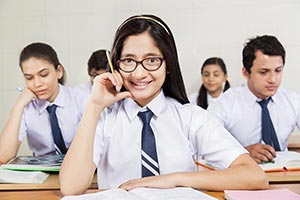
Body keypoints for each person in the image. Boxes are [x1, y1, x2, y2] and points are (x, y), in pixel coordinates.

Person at [59, 14, 267, 195]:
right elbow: (70, 187)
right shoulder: (105, 119)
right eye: (129, 61)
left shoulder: (190, 117)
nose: (139, 73)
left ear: (168, 65)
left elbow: (254, 176)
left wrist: (172, 180)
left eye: (151, 60)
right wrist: (94, 106)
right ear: (116, 65)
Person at [208, 35, 300, 163]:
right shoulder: (224, 104)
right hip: (241, 175)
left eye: (278, 70)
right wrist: (243, 152)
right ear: (246, 73)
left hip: (284, 174)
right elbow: (205, 146)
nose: (273, 79)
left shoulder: (293, 101)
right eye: (263, 72)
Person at [0, 42, 87, 164]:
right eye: (29, 78)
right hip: (43, 174)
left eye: (44, 75)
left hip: (81, 167)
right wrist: (18, 106)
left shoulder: (81, 99)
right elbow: (3, 156)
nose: (37, 84)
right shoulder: (26, 107)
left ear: (59, 71)